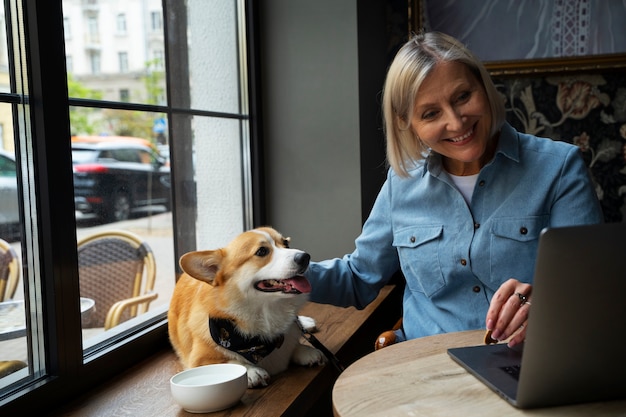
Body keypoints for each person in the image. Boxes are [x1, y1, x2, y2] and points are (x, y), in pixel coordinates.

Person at [305, 31, 603, 348]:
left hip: (528, 363)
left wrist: (548, 303)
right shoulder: (400, 183)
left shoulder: (559, 168)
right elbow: (357, 279)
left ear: (484, 87)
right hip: (427, 371)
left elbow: (593, 286)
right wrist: (274, 273)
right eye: (431, 113)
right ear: (407, 123)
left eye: (462, 97)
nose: (457, 123)